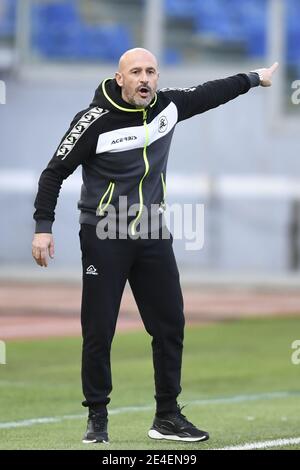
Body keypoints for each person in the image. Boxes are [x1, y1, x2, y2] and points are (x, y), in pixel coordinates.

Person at [32, 48, 278, 444]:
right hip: (104, 232)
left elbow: (210, 92)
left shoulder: (167, 107)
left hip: (151, 232)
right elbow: (53, 172)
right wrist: (43, 226)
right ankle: (97, 418)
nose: (144, 79)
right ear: (120, 79)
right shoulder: (93, 121)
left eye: (150, 71)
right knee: (99, 329)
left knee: (171, 324)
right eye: (136, 72)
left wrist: (254, 77)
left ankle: (167, 417)